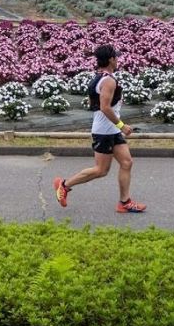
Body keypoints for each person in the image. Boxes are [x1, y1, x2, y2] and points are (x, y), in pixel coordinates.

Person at [53, 44, 146, 213]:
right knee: (101, 170)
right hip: (104, 131)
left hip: (111, 130)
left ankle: (124, 202)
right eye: (116, 57)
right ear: (111, 59)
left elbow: (94, 103)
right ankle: (64, 185)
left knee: (126, 162)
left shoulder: (98, 77)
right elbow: (104, 107)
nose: (118, 59)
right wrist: (122, 125)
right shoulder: (108, 80)